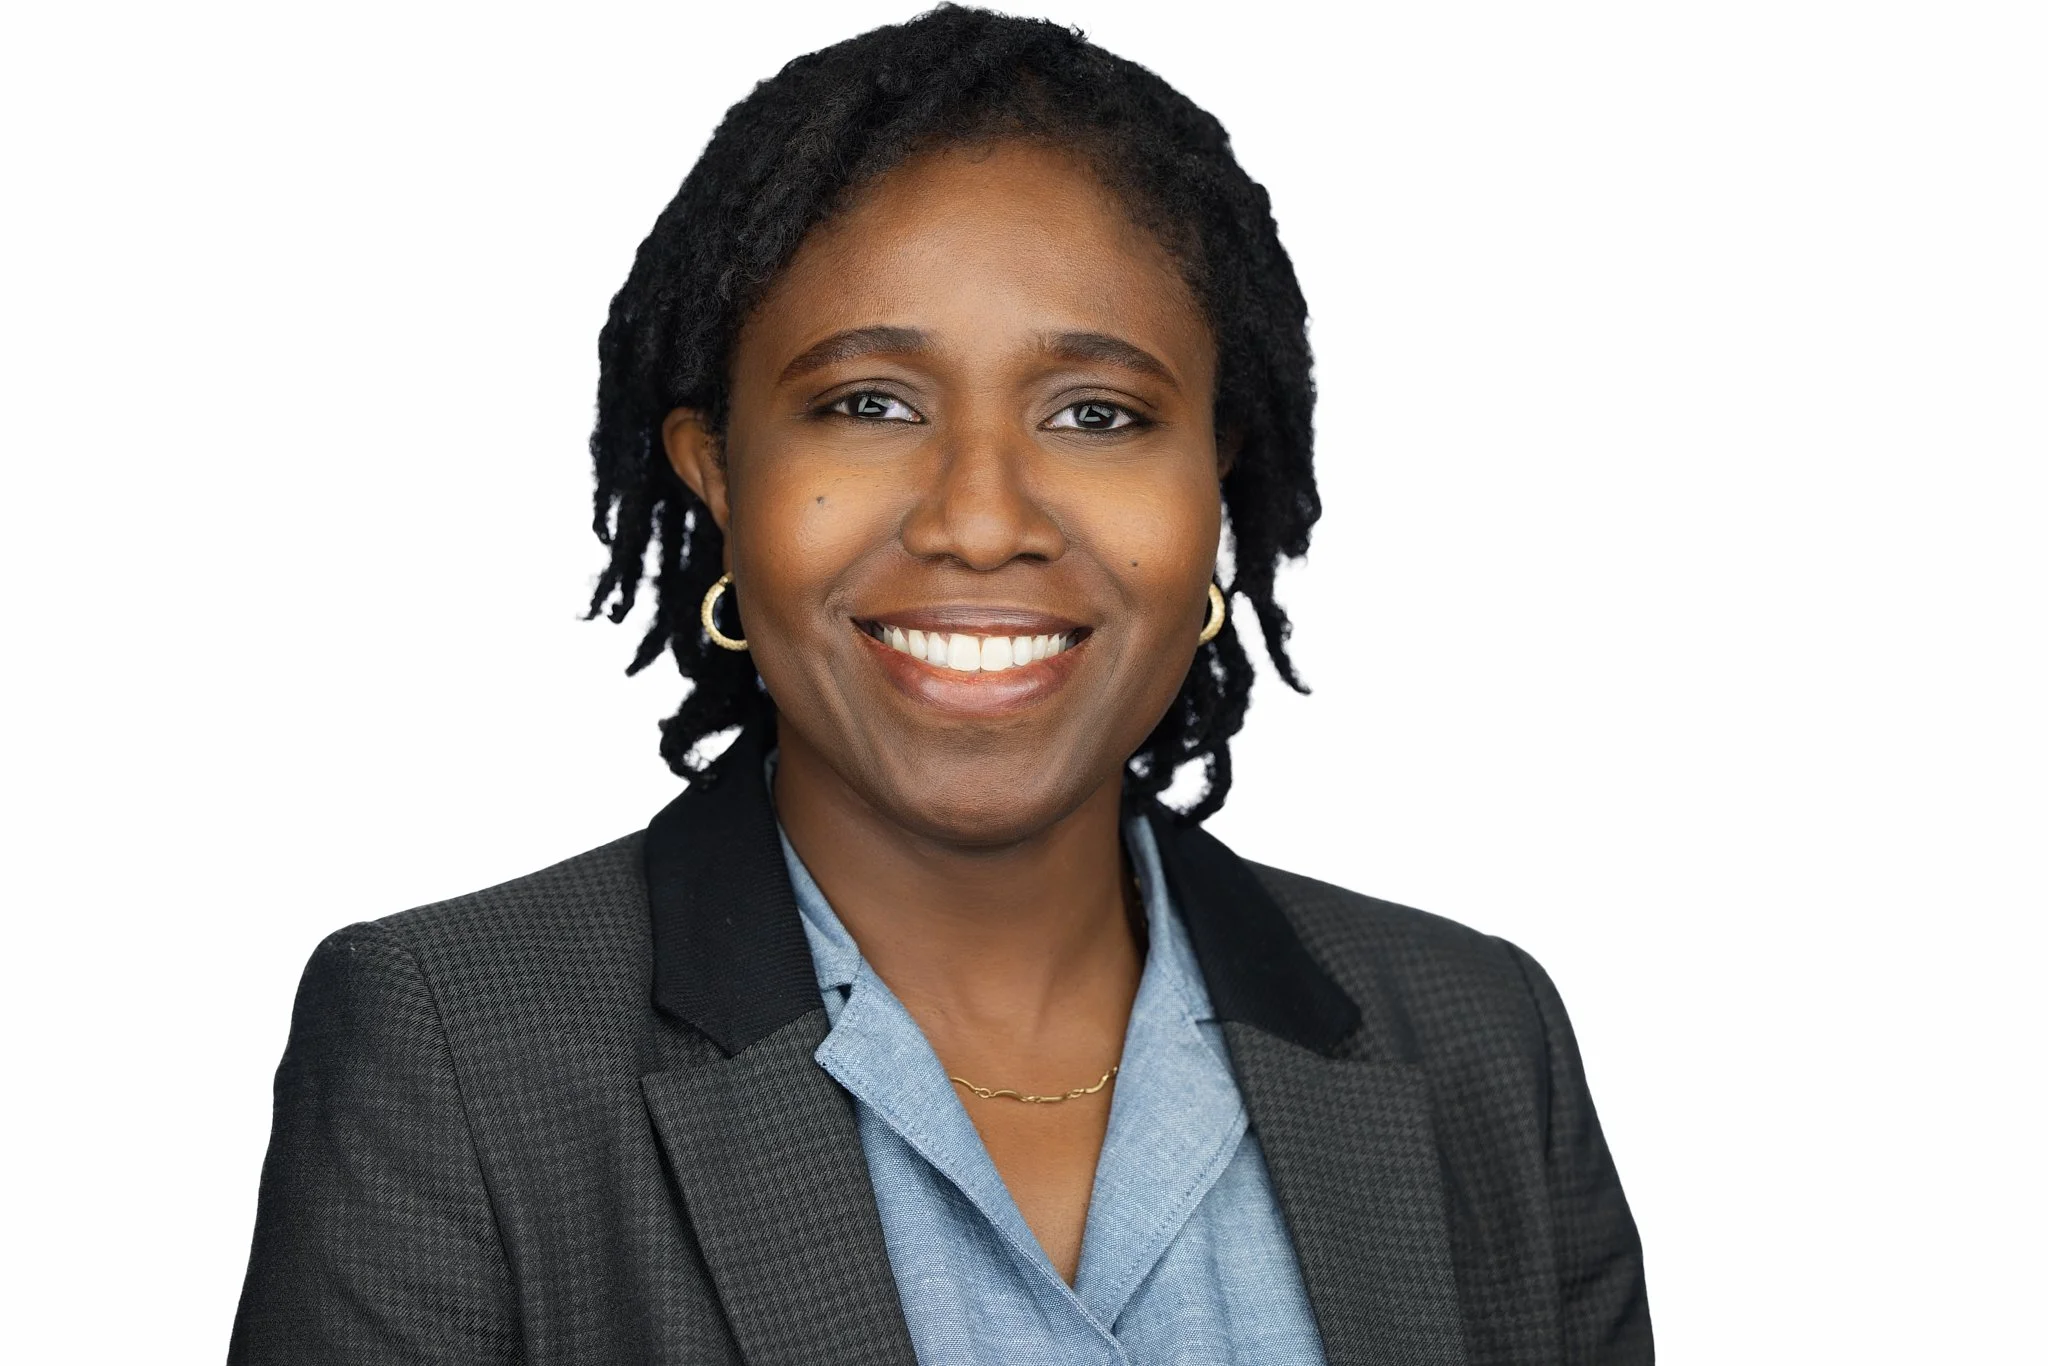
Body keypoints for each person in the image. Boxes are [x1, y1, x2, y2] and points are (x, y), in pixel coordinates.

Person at [229, 8, 1650, 1363]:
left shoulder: (1475, 1042)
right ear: (719, 474)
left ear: (1218, 480)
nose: (981, 516)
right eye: (870, 404)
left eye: (1098, 414)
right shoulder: (458, 1051)